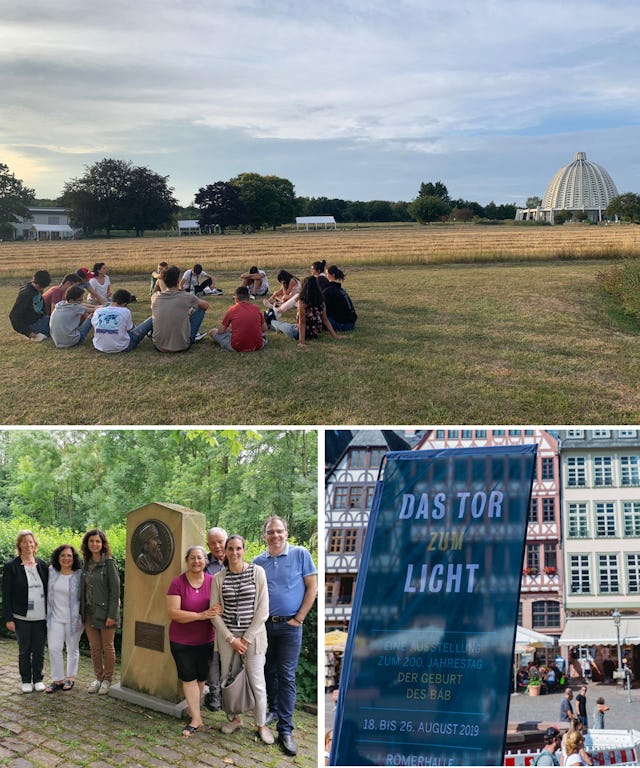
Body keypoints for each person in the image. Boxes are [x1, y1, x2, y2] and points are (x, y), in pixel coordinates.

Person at [254, 515, 317, 756]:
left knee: (287, 675)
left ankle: (285, 729)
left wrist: (299, 618)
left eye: (279, 531)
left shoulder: (301, 554)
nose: (275, 535)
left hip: (291, 626)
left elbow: (312, 587)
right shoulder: (258, 561)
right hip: (265, 626)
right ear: (265, 536)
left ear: (286, 533)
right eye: (270, 532)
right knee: (267, 670)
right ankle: (273, 709)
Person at [211, 535, 272, 744]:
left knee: (257, 682)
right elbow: (214, 613)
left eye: (238, 548)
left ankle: (261, 724)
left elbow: (263, 610)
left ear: (244, 549)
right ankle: (234, 718)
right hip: (228, 639)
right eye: (230, 549)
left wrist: (245, 639)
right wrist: (231, 638)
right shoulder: (219, 578)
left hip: (253, 639)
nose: (234, 553)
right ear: (225, 552)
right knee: (227, 680)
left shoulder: (258, 573)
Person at [166, 545, 218, 737]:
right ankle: (196, 718)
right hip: (181, 641)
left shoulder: (213, 582)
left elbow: (218, 608)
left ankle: (193, 709)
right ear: (187, 561)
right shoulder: (177, 583)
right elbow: (173, 613)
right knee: (188, 677)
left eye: (200, 558)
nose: (196, 561)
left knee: (201, 677)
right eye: (192, 558)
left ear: (205, 561)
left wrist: (208, 615)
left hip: (206, 639)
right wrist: (200, 615)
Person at [2, 530, 49, 692]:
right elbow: (6, 594)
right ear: (19, 545)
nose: (28, 545)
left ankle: (38, 679)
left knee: (39, 649)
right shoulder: (11, 567)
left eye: (31, 542)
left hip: (41, 616)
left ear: (35, 545)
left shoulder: (43, 565)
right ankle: (25, 681)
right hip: (21, 616)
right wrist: (8, 618)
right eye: (24, 542)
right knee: (24, 650)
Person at [80, 528, 120, 695]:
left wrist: (111, 615)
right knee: (94, 647)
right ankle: (98, 677)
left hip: (105, 613)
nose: (94, 544)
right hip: (89, 612)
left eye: (98, 541)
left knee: (107, 646)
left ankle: (108, 680)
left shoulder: (109, 563)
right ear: (87, 544)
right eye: (91, 541)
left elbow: (115, 591)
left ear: (103, 544)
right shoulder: (85, 564)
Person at [45, 544, 83, 693]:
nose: (66, 558)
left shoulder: (79, 574)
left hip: (74, 619)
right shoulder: (51, 571)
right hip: (54, 617)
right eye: (63, 555)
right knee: (54, 648)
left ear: (73, 559)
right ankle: (57, 679)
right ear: (58, 557)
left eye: (69, 556)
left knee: (72, 648)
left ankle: (71, 677)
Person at [271, 275, 342, 348]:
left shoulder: (302, 302)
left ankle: (270, 322)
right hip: (315, 333)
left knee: (280, 325)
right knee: (288, 325)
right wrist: (335, 336)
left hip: (298, 333)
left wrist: (301, 342)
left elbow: (302, 323)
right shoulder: (321, 301)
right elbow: (325, 320)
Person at [151, 265, 209, 352]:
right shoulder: (187, 296)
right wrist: (189, 310)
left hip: (159, 345)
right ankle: (193, 335)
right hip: (183, 345)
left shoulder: (155, 297)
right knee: (200, 309)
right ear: (178, 281)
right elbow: (206, 306)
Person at [204, 527, 228, 712]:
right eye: (213, 542)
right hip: (211, 619)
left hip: (233, 619)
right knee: (213, 658)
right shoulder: (203, 563)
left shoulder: (236, 558)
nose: (218, 546)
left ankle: (230, 694)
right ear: (208, 545)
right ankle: (215, 695)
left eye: (220, 541)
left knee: (230, 659)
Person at [91, 289, 152, 353]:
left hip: (99, 346)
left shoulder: (98, 311)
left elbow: (95, 328)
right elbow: (129, 329)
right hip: (122, 347)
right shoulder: (125, 311)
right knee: (152, 319)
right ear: (125, 304)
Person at [210, 286, 269, 352]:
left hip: (237, 346)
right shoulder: (256, 309)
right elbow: (265, 329)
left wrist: (229, 329)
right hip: (258, 345)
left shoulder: (232, 310)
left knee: (213, 331)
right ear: (249, 297)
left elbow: (220, 331)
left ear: (236, 299)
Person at [9, 269, 51, 341]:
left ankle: (43, 335)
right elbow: (14, 316)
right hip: (33, 324)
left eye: (44, 287)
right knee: (59, 323)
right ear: (36, 282)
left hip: (41, 320)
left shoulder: (37, 289)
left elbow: (41, 306)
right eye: (41, 287)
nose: (42, 289)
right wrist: (29, 333)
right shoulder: (26, 294)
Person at [323, 265, 357, 331]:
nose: (325, 276)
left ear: (332, 275)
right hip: (351, 322)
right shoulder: (340, 289)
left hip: (343, 324)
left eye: (327, 274)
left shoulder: (329, 291)